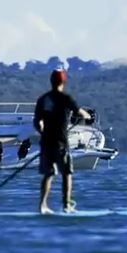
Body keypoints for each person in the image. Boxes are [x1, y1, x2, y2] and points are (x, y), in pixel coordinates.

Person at [34, 69, 92, 214]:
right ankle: (67, 205)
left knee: (48, 174)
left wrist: (42, 131)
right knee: (67, 173)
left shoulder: (43, 99)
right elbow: (79, 111)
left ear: (51, 81)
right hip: (60, 143)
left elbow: (37, 121)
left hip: (46, 143)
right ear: (63, 82)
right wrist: (88, 116)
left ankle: (42, 205)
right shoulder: (65, 98)